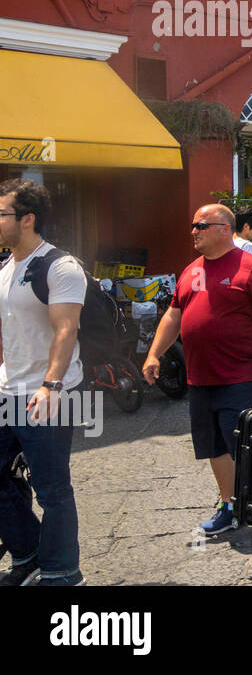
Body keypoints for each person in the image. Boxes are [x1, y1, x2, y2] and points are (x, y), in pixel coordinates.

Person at [142, 203, 252, 537]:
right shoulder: (191, 271)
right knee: (215, 447)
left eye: (201, 225)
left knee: (247, 448)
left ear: (224, 229)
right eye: (193, 226)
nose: (194, 232)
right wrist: (154, 354)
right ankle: (229, 506)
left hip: (240, 376)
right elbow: (174, 315)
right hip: (200, 379)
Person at [0, 180, 86, 586]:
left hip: (51, 393)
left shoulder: (60, 266)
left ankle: (63, 570)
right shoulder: (5, 268)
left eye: (2, 214)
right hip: (9, 391)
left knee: (51, 489)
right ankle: (29, 552)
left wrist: (50, 386)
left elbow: (65, 330)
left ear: (27, 219)